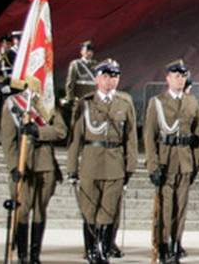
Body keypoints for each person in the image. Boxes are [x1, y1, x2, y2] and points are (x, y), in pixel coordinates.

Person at [66, 58, 138, 264]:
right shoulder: (85, 104)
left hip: (115, 165)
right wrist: (72, 169)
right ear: (97, 79)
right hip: (91, 163)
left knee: (109, 211)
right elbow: (75, 139)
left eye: (114, 77)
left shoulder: (124, 103)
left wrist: (130, 166)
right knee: (89, 210)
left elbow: (130, 138)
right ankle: (90, 251)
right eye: (105, 76)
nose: (109, 81)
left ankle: (104, 250)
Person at [143, 59, 199, 264]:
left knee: (181, 207)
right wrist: (152, 165)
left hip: (184, 162)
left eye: (183, 76)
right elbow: (149, 136)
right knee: (166, 207)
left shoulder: (192, 102)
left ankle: (176, 244)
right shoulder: (157, 102)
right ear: (167, 78)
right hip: (165, 162)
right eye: (176, 76)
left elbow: (197, 135)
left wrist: (196, 163)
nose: (180, 79)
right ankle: (163, 245)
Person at [2, 86, 68, 264]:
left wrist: (38, 132)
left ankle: (34, 256)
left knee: (40, 210)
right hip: (23, 164)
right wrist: (13, 166)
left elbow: (61, 131)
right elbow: (8, 140)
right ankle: (22, 256)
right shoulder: (13, 104)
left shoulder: (49, 103)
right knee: (22, 210)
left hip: (45, 163)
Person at [64, 41, 98, 118]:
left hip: (93, 101)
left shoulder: (96, 64)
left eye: (91, 51)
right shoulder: (76, 64)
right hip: (80, 99)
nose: (89, 53)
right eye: (87, 51)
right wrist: (70, 99)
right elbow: (70, 83)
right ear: (82, 52)